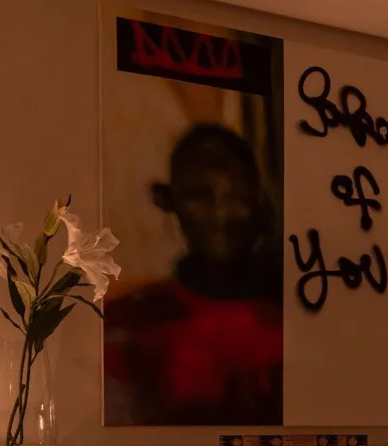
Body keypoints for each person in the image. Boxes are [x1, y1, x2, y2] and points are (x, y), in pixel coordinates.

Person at [104, 123, 285, 425]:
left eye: (237, 196)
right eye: (200, 196)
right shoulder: (131, 324)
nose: (220, 213)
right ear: (167, 200)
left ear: (258, 204)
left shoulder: (289, 320)